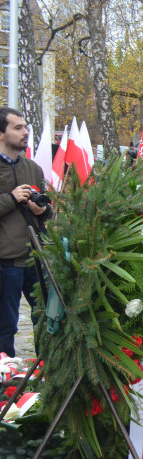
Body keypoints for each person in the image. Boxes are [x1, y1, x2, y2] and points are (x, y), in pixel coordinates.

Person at [0, 107, 52, 357]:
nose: (25, 132)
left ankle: (46, 375)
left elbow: (48, 207)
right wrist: (10, 198)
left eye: (26, 127)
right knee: (5, 326)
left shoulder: (33, 168)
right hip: (5, 260)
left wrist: (43, 210)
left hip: (35, 256)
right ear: (1, 133)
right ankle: (5, 384)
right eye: (17, 127)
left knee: (45, 319)